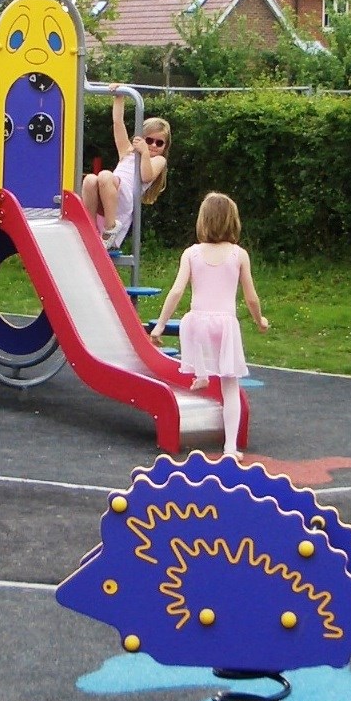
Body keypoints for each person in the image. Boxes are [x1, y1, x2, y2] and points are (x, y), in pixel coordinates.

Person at [150, 191, 270, 459]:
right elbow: (251, 296)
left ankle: (202, 374)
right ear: (233, 222)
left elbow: (177, 291)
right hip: (225, 324)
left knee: (195, 331)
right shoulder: (239, 255)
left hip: (197, 323)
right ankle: (230, 448)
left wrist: (160, 325)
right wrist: (259, 319)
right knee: (230, 387)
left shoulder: (191, 253)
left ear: (203, 221)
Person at [80, 92, 169, 249]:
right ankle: (91, 229)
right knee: (89, 180)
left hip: (125, 197)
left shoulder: (158, 160)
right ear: (140, 138)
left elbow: (146, 176)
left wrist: (145, 153)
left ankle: (110, 227)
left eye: (159, 143)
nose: (154, 145)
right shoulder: (127, 151)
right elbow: (118, 123)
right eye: (149, 140)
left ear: (164, 146)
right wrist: (119, 97)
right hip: (109, 194)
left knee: (105, 175)